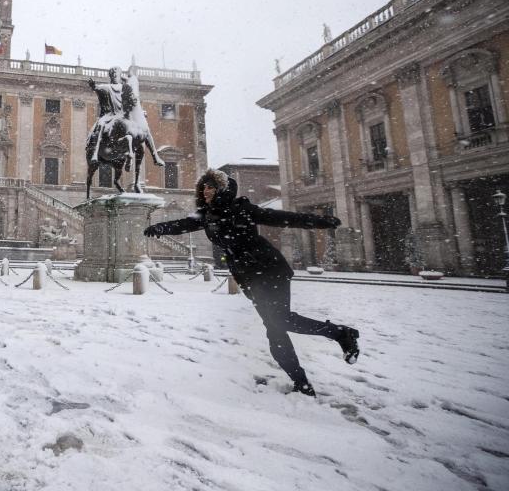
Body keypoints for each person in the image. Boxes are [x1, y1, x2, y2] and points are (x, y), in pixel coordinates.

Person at [143, 169, 359, 397]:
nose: (205, 191)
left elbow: (282, 218)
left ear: (221, 189)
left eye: (210, 187)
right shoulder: (206, 215)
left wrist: (319, 222)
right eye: (203, 187)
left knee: (280, 322)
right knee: (275, 329)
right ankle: (303, 382)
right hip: (248, 278)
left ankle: (338, 337)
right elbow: (183, 224)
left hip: (269, 269)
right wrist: (159, 228)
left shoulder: (241, 208)